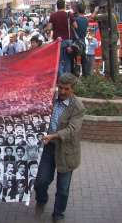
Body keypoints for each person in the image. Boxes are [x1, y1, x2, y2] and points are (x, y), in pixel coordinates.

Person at [34, 73, 85, 222]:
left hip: (66, 151)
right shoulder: (50, 98)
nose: (62, 92)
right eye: (60, 88)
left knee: (63, 189)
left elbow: (72, 130)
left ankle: (58, 214)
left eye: (66, 89)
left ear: (73, 89)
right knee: (41, 181)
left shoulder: (78, 107)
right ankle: (41, 199)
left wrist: (54, 135)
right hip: (48, 148)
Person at [45, 0, 78, 76]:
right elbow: (76, 26)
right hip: (68, 41)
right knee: (67, 61)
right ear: (64, 6)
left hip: (58, 42)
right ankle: (67, 79)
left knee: (59, 61)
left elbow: (49, 28)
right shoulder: (69, 14)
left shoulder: (53, 15)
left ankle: (61, 78)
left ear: (57, 6)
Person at [91, 3, 120, 77]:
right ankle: (115, 73)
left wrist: (95, 10)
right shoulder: (114, 15)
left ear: (105, 8)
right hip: (114, 38)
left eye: (103, 8)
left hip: (107, 39)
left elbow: (92, 17)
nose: (102, 9)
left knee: (106, 57)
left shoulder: (105, 16)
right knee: (114, 57)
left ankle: (108, 74)